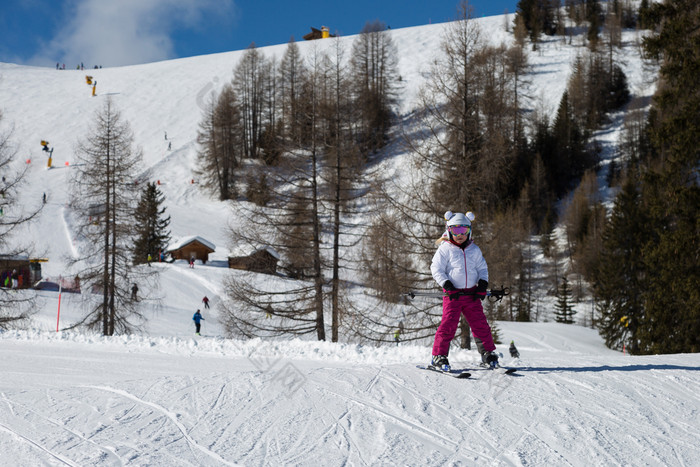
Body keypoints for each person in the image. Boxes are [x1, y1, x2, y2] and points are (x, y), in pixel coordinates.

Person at [429, 211, 499, 371]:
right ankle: (438, 356)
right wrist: (447, 285)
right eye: (455, 230)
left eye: (463, 230)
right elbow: (436, 269)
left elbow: (482, 268)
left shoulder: (474, 249)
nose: (460, 235)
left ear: (469, 231)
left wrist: (482, 285)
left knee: (480, 324)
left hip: (472, 295)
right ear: (449, 230)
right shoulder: (445, 249)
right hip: (453, 295)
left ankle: (488, 353)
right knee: (448, 325)